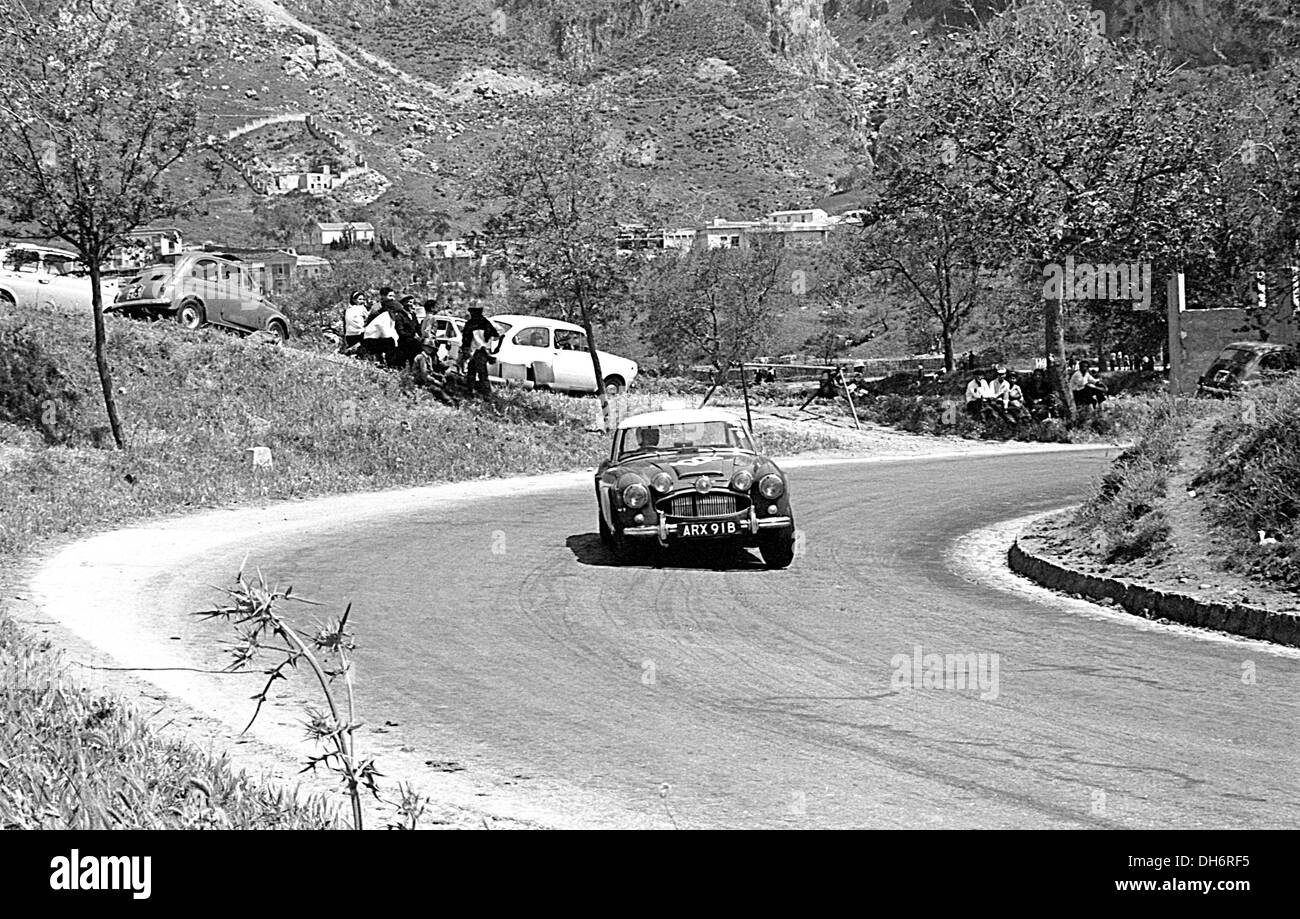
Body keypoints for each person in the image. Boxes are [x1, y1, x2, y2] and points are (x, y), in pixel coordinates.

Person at [459, 302, 500, 397]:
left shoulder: (470, 324)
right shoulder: (487, 322)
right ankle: (481, 393)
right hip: (484, 352)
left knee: (474, 374)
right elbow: (497, 334)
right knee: (480, 373)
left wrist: (465, 351)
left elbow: (466, 339)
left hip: (476, 351)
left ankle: (482, 394)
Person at [412, 334, 456, 406]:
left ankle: (450, 396)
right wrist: (436, 381)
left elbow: (431, 371)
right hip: (420, 382)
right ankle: (449, 402)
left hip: (427, 380)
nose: (430, 349)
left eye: (431, 348)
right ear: (423, 347)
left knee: (448, 380)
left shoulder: (428, 357)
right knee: (437, 390)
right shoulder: (421, 357)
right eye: (428, 347)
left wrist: (441, 376)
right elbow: (425, 375)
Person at [361, 296, 398, 365]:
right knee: (390, 342)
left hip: (377, 339)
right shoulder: (384, 317)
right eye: (395, 312)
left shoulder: (392, 318)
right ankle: (390, 364)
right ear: (390, 310)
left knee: (393, 342)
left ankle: (392, 363)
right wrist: (394, 342)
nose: (396, 314)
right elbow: (385, 333)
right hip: (370, 340)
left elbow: (393, 332)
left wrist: (396, 342)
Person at [391, 294, 423, 368]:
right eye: (408, 302)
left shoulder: (413, 314)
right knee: (404, 364)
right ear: (403, 303)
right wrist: (412, 336)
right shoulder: (399, 316)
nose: (410, 304)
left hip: (414, 342)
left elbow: (418, 327)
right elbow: (400, 331)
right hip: (404, 343)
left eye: (411, 302)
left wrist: (422, 336)